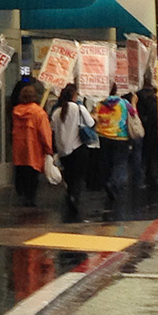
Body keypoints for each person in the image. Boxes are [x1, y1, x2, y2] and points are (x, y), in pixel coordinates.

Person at [50, 84, 94, 222]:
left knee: (69, 175)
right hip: (77, 147)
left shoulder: (56, 112)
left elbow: (52, 129)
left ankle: (70, 194)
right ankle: (74, 196)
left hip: (63, 150)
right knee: (79, 176)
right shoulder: (78, 108)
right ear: (74, 95)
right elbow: (91, 122)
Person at [11, 84, 53, 208]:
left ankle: (23, 195)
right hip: (34, 148)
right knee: (32, 176)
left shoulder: (16, 111)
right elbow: (44, 132)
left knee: (22, 172)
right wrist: (48, 148)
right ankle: (30, 198)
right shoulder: (39, 113)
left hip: (19, 148)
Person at [94, 84, 132, 221]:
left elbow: (95, 118)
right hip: (120, 137)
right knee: (120, 163)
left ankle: (108, 182)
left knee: (107, 162)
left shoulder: (99, 104)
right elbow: (133, 115)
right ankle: (114, 183)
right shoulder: (124, 103)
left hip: (103, 137)